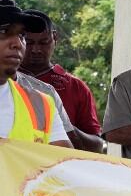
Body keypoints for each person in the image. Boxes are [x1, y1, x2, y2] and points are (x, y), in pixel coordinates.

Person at [19, 9, 105, 152]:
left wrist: (62, 124)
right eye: (29, 42)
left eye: (43, 42)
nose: (35, 49)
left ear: (55, 38)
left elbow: (97, 146)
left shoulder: (75, 86)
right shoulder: (6, 80)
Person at [0, 2, 71, 147]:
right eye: (4, 32)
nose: (18, 43)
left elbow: (62, 164)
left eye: (22, 35)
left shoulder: (42, 103)